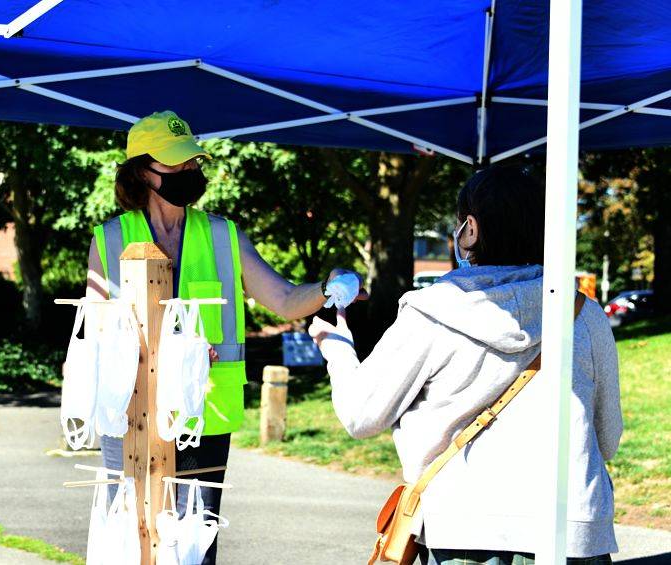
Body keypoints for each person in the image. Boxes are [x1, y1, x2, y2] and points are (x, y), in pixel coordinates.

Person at [309, 165, 622, 564]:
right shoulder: (584, 314)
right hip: (574, 533)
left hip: (465, 530)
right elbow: (608, 439)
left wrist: (336, 346)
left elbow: (361, 415)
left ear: (469, 230)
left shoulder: (431, 313)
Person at [86, 110, 354, 564]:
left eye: (193, 161)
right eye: (176, 164)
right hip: (130, 415)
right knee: (130, 546)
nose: (190, 171)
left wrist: (327, 288)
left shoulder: (223, 235)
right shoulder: (110, 239)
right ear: (142, 173)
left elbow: (286, 299)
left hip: (203, 418)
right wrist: (167, 351)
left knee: (194, 549)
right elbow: (95, 333)